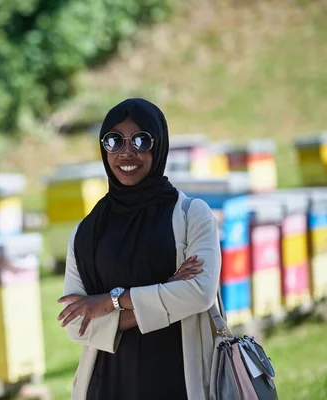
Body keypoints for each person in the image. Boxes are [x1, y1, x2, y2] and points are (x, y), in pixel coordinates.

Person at [57, 98, 221, 400]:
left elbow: (199, 293)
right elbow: (76, 326)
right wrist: (168, 292)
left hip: (178, 382)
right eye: (114, 141)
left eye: (141, 140)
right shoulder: (86, 233)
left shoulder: (191, 215)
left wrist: (112, 301)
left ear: (159, 146)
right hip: (105, 385)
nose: (126, 152)